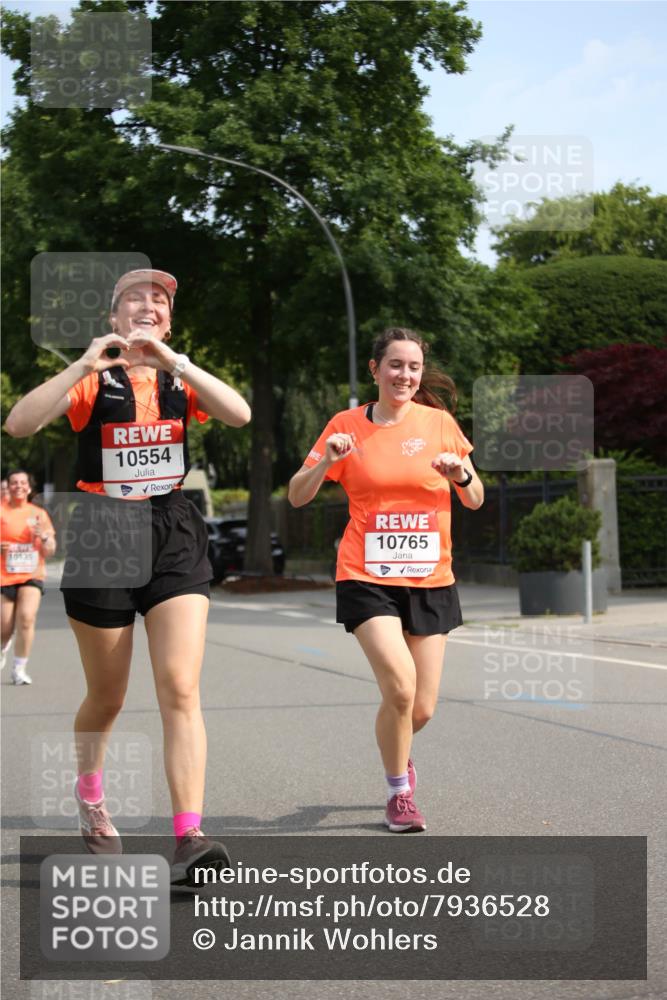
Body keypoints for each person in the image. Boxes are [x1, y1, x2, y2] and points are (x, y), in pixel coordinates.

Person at [5, 268, 250, 882]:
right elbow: (20, 423)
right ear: (115, 318)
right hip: (103, 531)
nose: (148, 305)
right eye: (135, 298)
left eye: (160, 300)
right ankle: (91, 799)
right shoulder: (94, 380)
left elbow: (240, 414)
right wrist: (86, 363)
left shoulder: (179, 380)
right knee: (108, 697)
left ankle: (189, 836)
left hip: (172, 528)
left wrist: (178, 362)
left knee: (179, 686)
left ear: (169, 320)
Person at [288, 328, 484, 832]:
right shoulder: (345, 425)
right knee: (399, 688)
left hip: (430, 576)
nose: (406, 375)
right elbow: (296, 495)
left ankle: (400, 752)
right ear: (375, 370)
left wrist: (458, 474)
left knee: (420, 707)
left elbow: (475, 497)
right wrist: (327, 461)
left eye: (414, 367)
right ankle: (399, 794)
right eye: (395, 365)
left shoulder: (440, 424)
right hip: (365, 575)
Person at [1, 470, 56, 682]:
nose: (18, 486)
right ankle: (4, 644)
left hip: (32, 573)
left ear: (29, 488)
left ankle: (19, 669)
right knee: (4, 626)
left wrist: (43, 538)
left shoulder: (38, 514)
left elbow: (50, 549)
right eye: (14, 483)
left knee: (26, 618)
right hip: (4, 575)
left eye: (23, 483)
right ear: (8, 486)